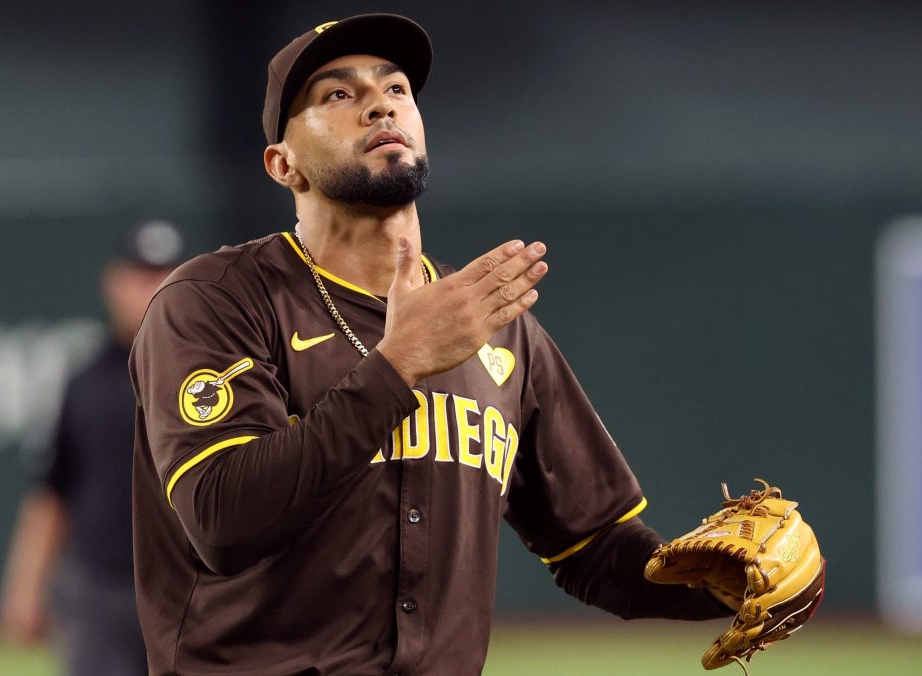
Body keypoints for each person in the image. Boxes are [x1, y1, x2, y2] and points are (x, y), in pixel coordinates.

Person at [129, 14, 730, 675]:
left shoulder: (493, 323)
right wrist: (397, 366)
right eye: (338, 94)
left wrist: (721, 584)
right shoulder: (217, 299)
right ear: (283, 164)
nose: (380, 104)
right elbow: (222, 520)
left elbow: (595, 548)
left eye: (396, 89)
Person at [0, 219, 185, 676]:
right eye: (142, 276)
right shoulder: (83, 380)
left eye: (167, 275)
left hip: (191, 587)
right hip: (101, 588)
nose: (153, 289)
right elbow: (52, 490)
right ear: (114, 283)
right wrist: (25, 587)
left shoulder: (217, 375)